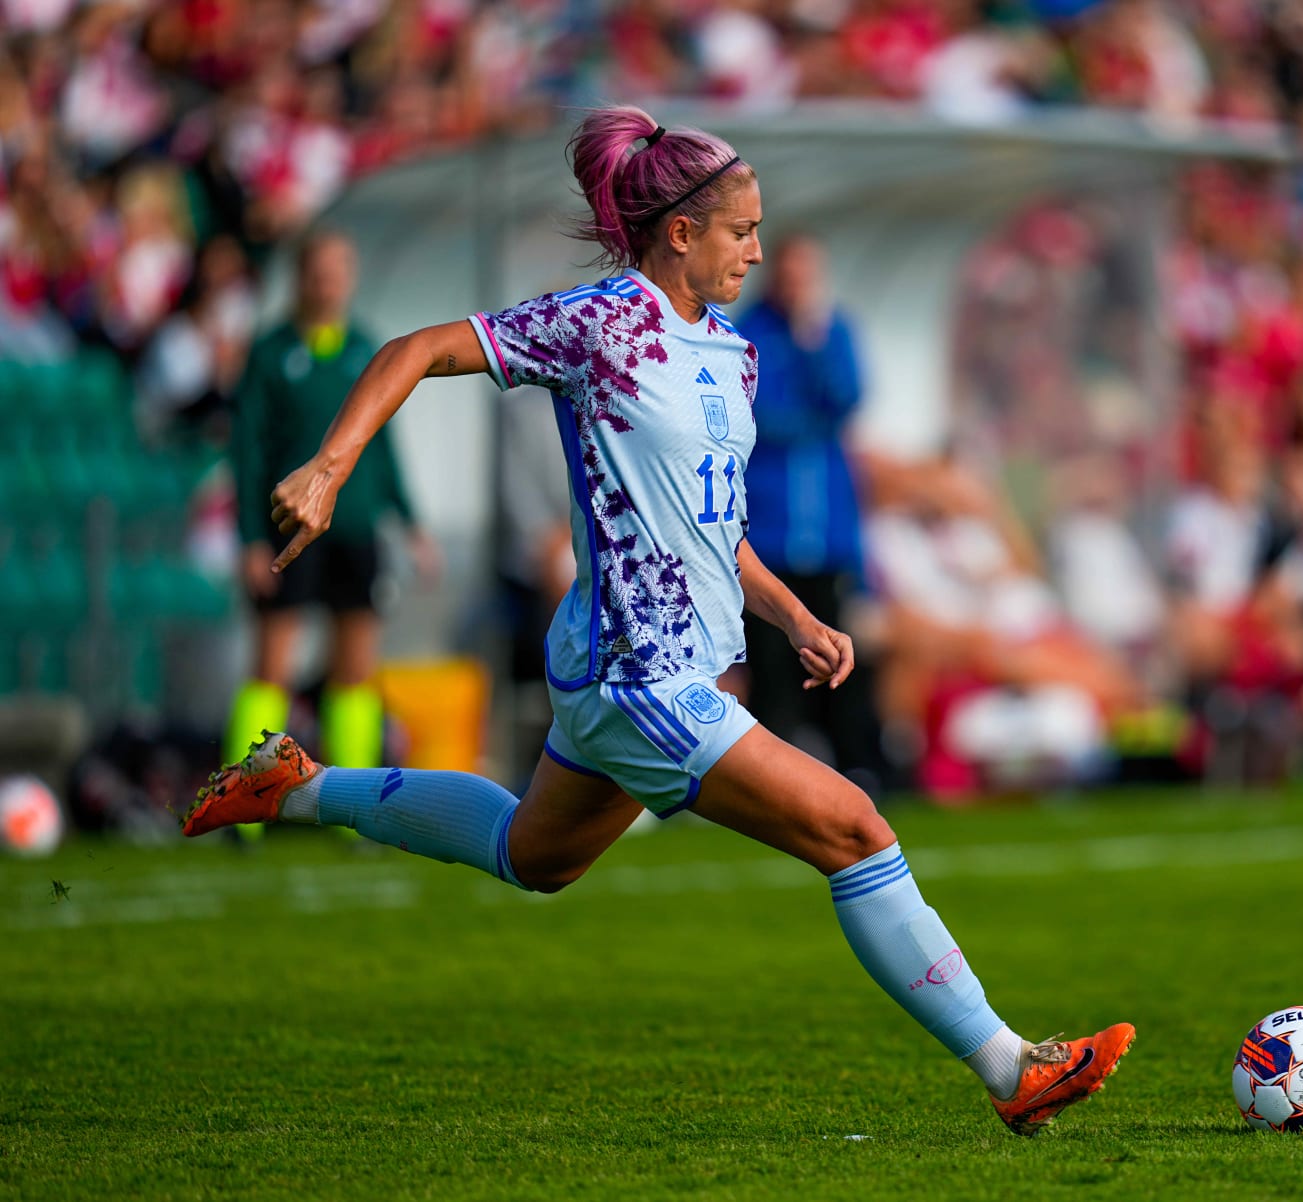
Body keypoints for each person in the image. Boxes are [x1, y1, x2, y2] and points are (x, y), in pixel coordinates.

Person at [180, 106, 1134, 1135]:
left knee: (530, 855)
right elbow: (414, 349)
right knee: (857, 830)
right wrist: (328, 468)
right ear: (680, 230)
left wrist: (792, 614)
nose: (756, 250)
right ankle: (1009, 1064)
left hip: (631, 670)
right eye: (741, 230)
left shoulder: (733, 354)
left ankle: (299, 788)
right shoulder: (600, 324)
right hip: (644, 674)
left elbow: (714, 527)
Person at [223, 230, 437, 840]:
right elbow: (245, 453)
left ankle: (353, 814)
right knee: (272, 667)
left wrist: (411, 522)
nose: (329, 283)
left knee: (355, 671)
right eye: (319, 272)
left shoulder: (366, 348)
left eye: (339, 271)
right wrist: (248, 538)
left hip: (357, 529)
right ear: (300, 278)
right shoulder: (269, 355)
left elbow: (384, 444)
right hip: (288, 529)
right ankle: (245, 809)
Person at [733, 237, 888, 791]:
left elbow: (846, 397)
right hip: (769, 537)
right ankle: (769, 782)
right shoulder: (747, 331)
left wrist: (814, 341)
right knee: (773, 668)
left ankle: (859, 770)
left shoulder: (832, 331)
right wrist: (811, 419)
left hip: (828, 535)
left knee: (844, 659)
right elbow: (758, 416)